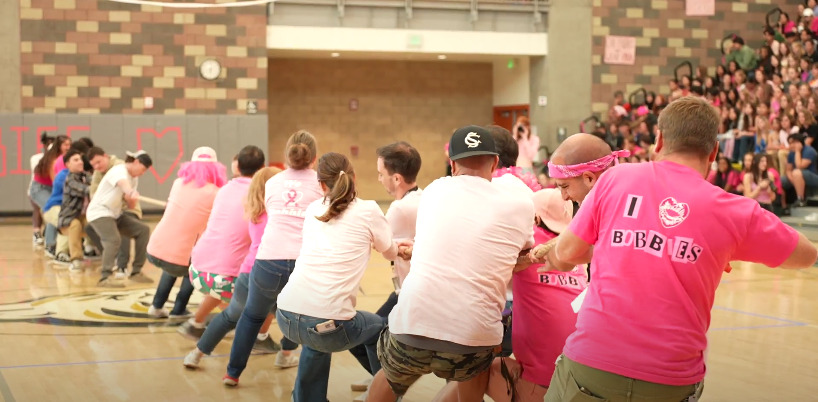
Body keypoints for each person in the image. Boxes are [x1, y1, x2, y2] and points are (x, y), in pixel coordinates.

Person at [537, 97, 817, 402]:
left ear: (659, 140)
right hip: (670, 382)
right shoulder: (736, 212)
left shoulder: (616, 178)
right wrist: (719, 247)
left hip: (591, 367)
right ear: (713, 152)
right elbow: (806, 255)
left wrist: (616, 245)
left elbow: (567, 252)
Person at [367, 126, 535, 402]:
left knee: (391, 373)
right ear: (494, 162)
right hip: (473, 340)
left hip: (411, 327)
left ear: (453, 165)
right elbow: (524, 248)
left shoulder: (434, 190)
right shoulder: (520, 201)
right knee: (473, 371)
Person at [275, 152, 405, 401]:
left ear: (321, 184)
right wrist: (401, 248)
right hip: (328, 324)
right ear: (354, 178)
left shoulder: (313, 209)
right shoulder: (368, 210)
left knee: (316, 334)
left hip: (286, 316)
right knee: (379, 327)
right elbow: (389, 249)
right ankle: (387, 394)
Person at [220, 131, 323, 385]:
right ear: (314, 156)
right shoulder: (321, 183)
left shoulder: (273, 182)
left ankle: (232, 373)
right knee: (297, 315)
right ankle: (287, 356)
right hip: (302, 262)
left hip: (268, 260)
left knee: (252, 317)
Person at [182, 166, 285, 370]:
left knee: (230, 316)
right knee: (288, 314)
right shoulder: (276, 216)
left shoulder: (254, 211)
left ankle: (197, 354)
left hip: (247, 272)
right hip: (267, 272)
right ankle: (277, 348)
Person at [348, 141, 423, 401]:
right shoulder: (419, 197)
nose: (379, 179)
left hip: (412, 293)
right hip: (403, 287)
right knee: (369, 333)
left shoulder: (401, 208)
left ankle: (387, 391)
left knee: (370, 335)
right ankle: (378, 379)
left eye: (381, 174)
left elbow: (373, 240)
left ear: (397, 177)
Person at [176, 145, 265, 339]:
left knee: (221, 283)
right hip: (224, 278)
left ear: (237, 167)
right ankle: (260, 338)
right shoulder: (260, 194)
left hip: (198, 270)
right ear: (262, 168)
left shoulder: (223, 189)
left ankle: (195, 323)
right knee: (269, 292)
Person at [146, 147, 227, 319]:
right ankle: (179, 309)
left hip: (156, 248)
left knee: (173, 262)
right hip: (182, 256)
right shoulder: (215, 192)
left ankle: (156, 305)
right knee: (193, 267)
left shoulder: (178, 183)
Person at [86, 150, 153, 287]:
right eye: (143, 169)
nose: (143, 173)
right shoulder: (119, 169)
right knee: (113, 239)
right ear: (136, 162)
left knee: (143, 230)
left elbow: (129, 204)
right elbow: (123, 183)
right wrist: (130, 191)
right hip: (99, 212)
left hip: (115, 213)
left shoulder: (134, 178)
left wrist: (131, 199)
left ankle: (136, 272)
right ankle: (105, 277)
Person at [31, 135, 71, 258]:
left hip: (51, 189)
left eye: (70, 144)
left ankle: (56, 243)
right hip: (40, 189)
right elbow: (56, 182)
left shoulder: (64, 158)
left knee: (58, 211)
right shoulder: (53, 159)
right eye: (65, 145)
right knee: (54, 210)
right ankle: (50, 245)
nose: (68, 147)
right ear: (59, 146)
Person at [54, 149, 91, 271]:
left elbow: (96, 184)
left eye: (80, 159)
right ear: (68, 164)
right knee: (75, 225)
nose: (80, 162)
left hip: (84, 217)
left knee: (97, 223)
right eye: (75, 160)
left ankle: (101, 253)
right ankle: (76, 259)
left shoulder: (87, 176)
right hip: (68, 220)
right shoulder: (70, 180)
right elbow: (86, 190)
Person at [29, 133, 55, 248]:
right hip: (36, 189)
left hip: (51, 189)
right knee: (37, 210)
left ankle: (48, 233)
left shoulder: (57, 159)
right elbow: (40, 171)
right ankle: (37, 233)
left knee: (50, 212)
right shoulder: (36, 158)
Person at [782, 133, 818, 207]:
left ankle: (800, 199)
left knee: (796, 172)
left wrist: (798, 151)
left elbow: (800, 166)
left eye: (793, 143)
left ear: (799, 142)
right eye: (789, 143)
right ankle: (783, 205)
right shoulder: (791, 153)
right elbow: (788, 170)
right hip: (797, 177)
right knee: (782, 180)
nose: (790, 145)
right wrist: (792, 180)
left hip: (813, 176)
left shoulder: (809, 150)